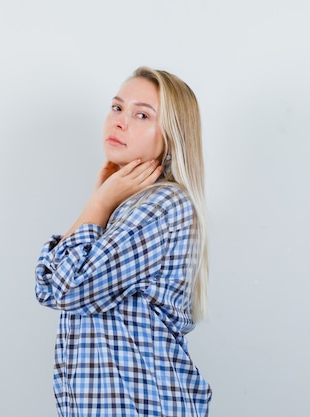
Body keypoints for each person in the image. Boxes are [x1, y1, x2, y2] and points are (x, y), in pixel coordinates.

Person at [35, 66, 212, 416]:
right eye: (117, 107)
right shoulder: (122, 209)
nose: (119, 121)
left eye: (141, 114)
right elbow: (46, 285)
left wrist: (98, 202)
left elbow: (67, 289)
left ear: (171, 138)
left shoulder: (161, 206)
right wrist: (99, 199)